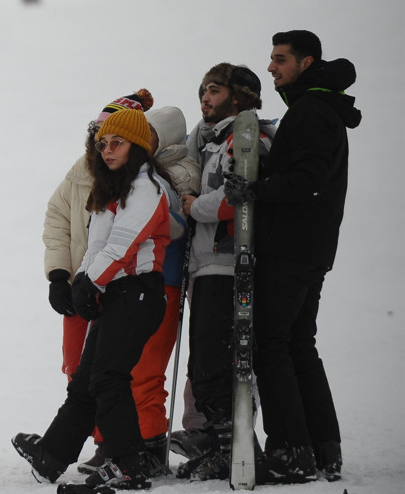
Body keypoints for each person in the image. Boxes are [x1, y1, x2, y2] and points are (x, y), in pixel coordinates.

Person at [224, 30, 361, 483]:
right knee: (300, 345)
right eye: (271, 58)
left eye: (280, 59)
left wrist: (255, 190)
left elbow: (310, 179)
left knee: (272, 344)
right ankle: (323, 450)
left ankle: (291, 451)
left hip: (290, 249)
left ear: (306, 63)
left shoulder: (311, 111)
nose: (271, 68)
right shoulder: (318, 110)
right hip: (311, 248)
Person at [14, 109, 173, 491]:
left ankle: (128, 463)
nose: (107, 150)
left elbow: (123, 245)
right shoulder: (111, 188)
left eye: (116, 143)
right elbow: (96, 245)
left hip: (138, 292)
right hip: (115, 293)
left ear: (136, 145)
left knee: (108, 378)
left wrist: (91, 282)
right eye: (102, 143)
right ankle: (51, 455)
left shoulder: (147, 187)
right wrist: (80, 281)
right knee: (85, 381)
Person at [175, 63, 277, 481]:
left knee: (217, 359)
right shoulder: (212, 138)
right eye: (202, 90)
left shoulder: (247, 136)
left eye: (214, 90)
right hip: (206, 263)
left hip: (227, 261)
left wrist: (193, 206)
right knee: (204, 361)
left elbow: (237, 192)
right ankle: (218, 445)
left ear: (239, 96)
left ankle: (234, 445)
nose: (205, 97)